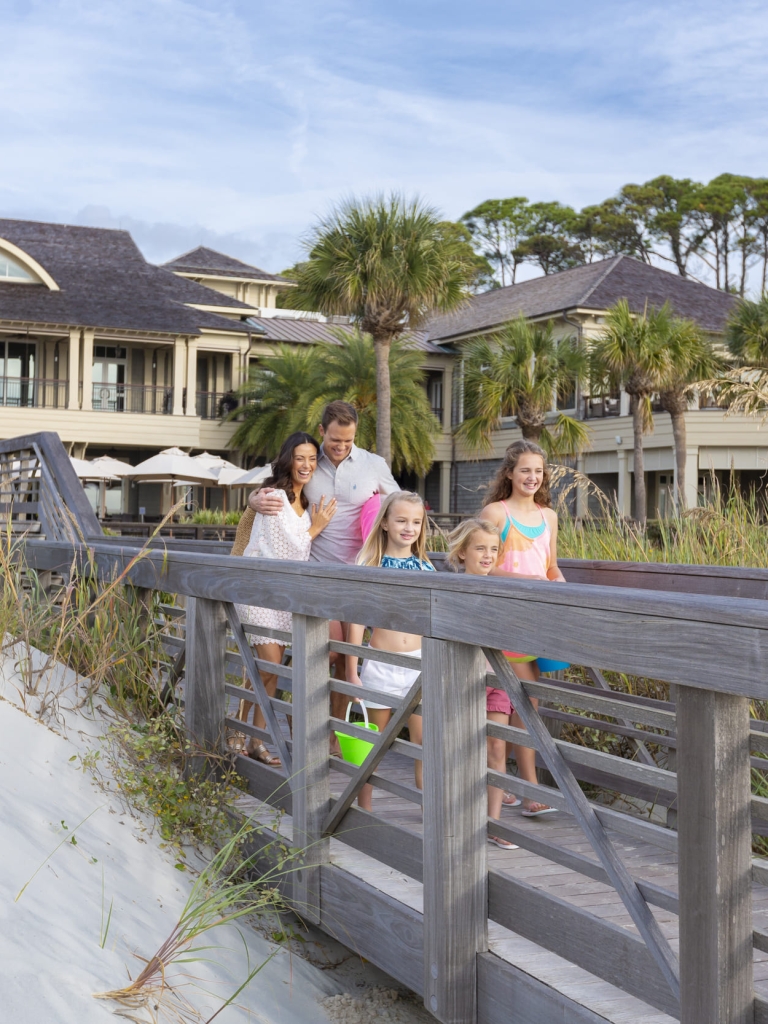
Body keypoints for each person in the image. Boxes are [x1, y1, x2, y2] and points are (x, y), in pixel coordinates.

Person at [249, 401, 400, 728]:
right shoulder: (308, 460)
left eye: (348, 441)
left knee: (349, 661)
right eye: (335, 440)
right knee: (324, 653)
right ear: (322, 431)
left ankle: (330, 734)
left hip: (358, 581)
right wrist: (253, 499)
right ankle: (301, 724)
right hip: (315, 579)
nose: (341, 447)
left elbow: (401, 505)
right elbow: (275, 485)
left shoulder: (373, 464)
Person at [236, 432, 337, 764]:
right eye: (300, 458)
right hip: (258, 591)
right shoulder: (274, 497)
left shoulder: (303, 502)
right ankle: (241, 733)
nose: (306, 465)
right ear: (287, 460)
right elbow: (288, 550)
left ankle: (254, 739)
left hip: (282, 596)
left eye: (312, 459)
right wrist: (317, 528)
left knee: (269, 671)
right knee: (269, 665)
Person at [479, 439, 565, 817]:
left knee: (528, 711)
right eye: (525, 470)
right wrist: (522, 584)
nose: (533, 477)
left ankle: (525, 788)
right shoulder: (495, 513)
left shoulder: (549, 517)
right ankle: (519, 790)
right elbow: (480, 563)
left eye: (539, 471)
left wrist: (560, 588)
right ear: (510, 473)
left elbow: (551, 568)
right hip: (504, 621)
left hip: (537, 624)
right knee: (508, 708)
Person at [345, 491, 435, 811]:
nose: (408, 527)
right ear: (384, 523)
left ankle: (428, 812)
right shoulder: (369, 564)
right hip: (381, 664)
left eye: (415, 521)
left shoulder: (426, 569)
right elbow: (356, 620)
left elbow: (433, 623)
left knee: (425, 744)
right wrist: (350, 670)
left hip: (418, 666)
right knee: (373, 743)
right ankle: (362, 810)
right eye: (401, 520)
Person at [447, 517, 519, 849]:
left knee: (497, 747)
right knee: (461, 749)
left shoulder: (503, 590)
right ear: (462, 553)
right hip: (462, 679)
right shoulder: (452, 590)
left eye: (493, 549)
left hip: (497, 677)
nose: (488, 555)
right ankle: (458, 820)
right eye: (480, 548)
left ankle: (494, 823)